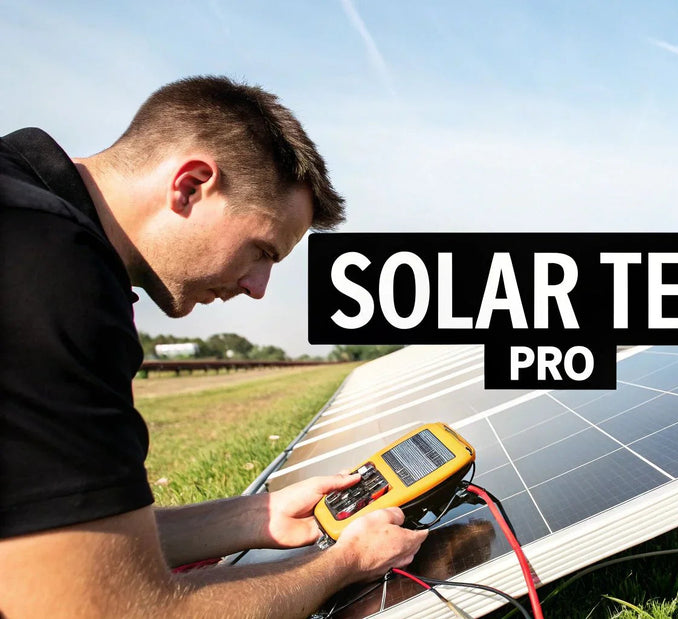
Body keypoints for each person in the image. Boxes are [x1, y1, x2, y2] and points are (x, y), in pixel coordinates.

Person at [0, 76, 427, 617]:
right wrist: (345, 563)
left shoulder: (21, 208)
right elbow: (116, 611)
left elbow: (57, 538)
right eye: (262, 251)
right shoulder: (54, 271)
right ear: (191, 185)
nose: (258, 287)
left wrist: (256, 517)